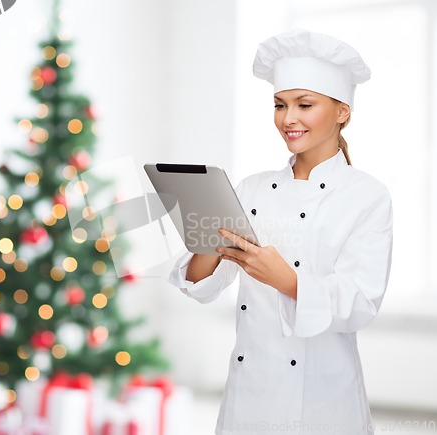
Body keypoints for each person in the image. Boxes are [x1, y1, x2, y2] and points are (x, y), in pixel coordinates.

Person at [168, 29, 393, 435]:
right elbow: (201, 286)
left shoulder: (367, 196)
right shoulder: (252, 188)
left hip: (323, 400)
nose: (288, 119)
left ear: (342, 111)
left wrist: (286, 279)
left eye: (304, 104)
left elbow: (360, 302)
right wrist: (208, 239)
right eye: (279, 104)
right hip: (248, 397)